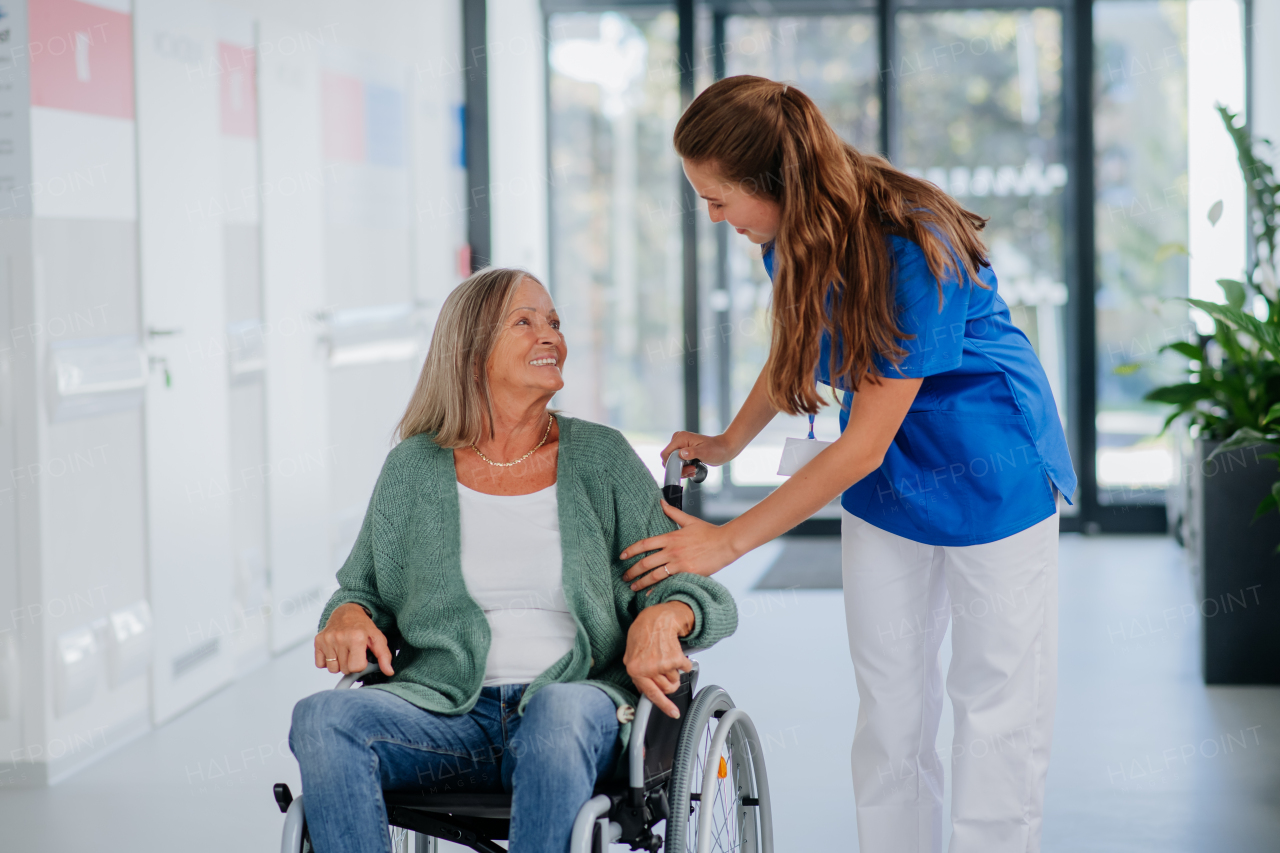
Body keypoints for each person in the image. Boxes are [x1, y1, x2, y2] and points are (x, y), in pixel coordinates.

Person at [619, 76, 1076, 853]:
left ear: (776, 182)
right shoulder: (788, 235)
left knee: (995, 705)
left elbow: (861, 442)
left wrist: (723, 541)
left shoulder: (911, 242)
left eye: (719, 198)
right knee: (891, 706)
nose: (713, 216)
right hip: (890, 480)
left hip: (989, 469)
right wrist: (730, 441)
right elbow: (801, 342)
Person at [290, 267, 738, 853]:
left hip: (575, 703)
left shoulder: (600, 458)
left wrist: (666, 614)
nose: (550, 335)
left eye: (553, 322)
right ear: (472, 350)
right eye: (524, 322)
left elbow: (697, 592)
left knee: (556, 711)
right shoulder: (414, 468)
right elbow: (363, 592)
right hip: (446, 716)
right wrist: (347, 613)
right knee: (321, 719)